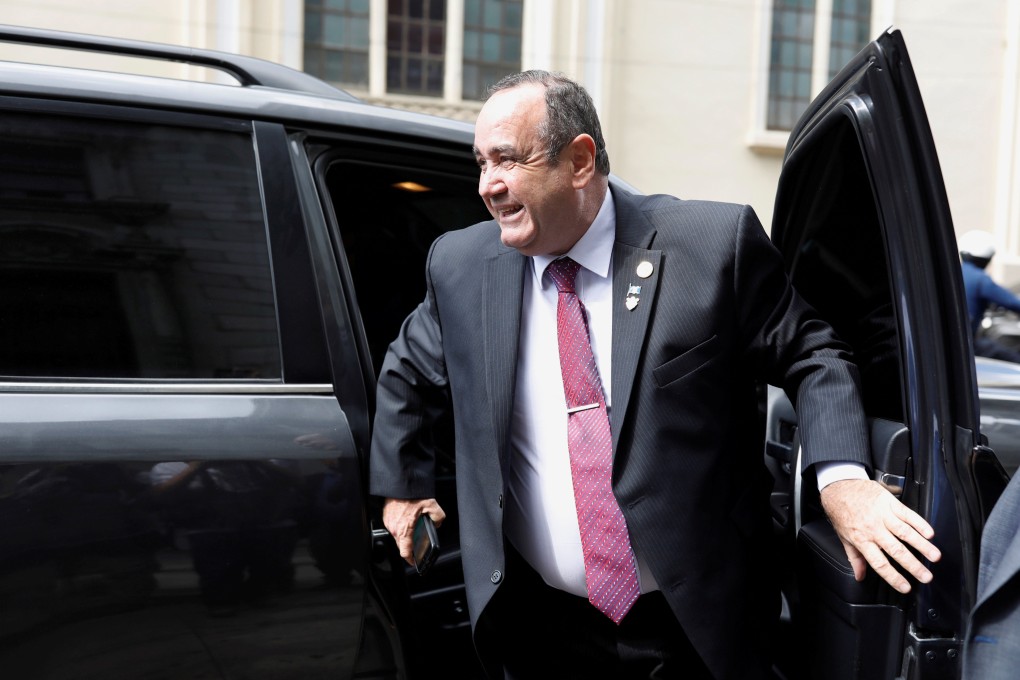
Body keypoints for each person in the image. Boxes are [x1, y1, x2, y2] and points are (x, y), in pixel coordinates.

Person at [369, 70, 941, 679]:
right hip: (539, 622)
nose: (488, 186)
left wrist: (843, 482)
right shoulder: (462, 264)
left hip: (692, 625)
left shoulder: (710, 246)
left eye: (507, 160)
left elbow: (814, 354)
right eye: (481, 163)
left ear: (581, 160)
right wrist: (405, 483)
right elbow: (408, 368)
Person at [958, 229, 1020, 363]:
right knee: (1013, 358)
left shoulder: (957, 273)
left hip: (958, 341)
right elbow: (1013, 303)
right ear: (987, 259)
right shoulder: (981, 279)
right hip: (970, 345)